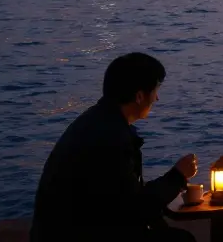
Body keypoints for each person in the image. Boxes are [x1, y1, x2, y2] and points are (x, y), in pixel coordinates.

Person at [31, 52, 198, 242]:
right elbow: (133, 207)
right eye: (155, 91)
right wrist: (177, 176)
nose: (157, 99)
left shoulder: (96, 122)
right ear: (139, 96)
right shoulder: (111, 139)